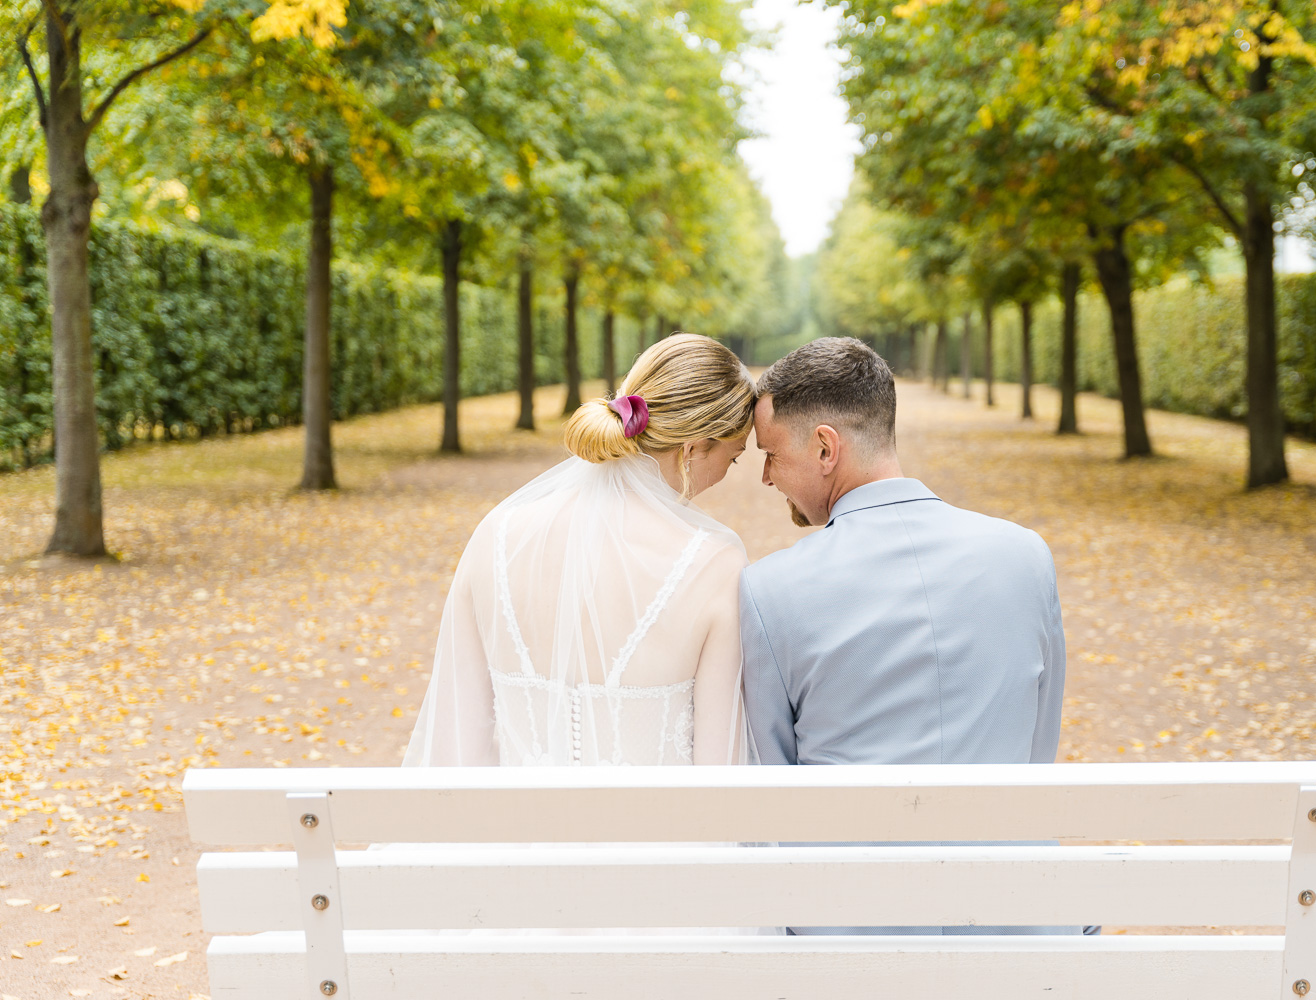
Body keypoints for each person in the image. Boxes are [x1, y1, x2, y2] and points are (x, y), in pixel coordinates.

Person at [740, 336, 1082, 936]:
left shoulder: (771, 588)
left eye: (770, 453)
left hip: (850, 937)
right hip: (1021, 926)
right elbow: (1036, 746)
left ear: (825, 448)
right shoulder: (1025, 556)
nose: (766, 477)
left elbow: (779, 786)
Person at [403, 333, 756, 770]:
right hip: (661, 839)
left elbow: (455, 746)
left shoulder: (495, 535)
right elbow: (720, 772)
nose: (728, 471)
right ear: (693, 448)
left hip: (510, 835)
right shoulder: (716, 562)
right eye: (734, 456)